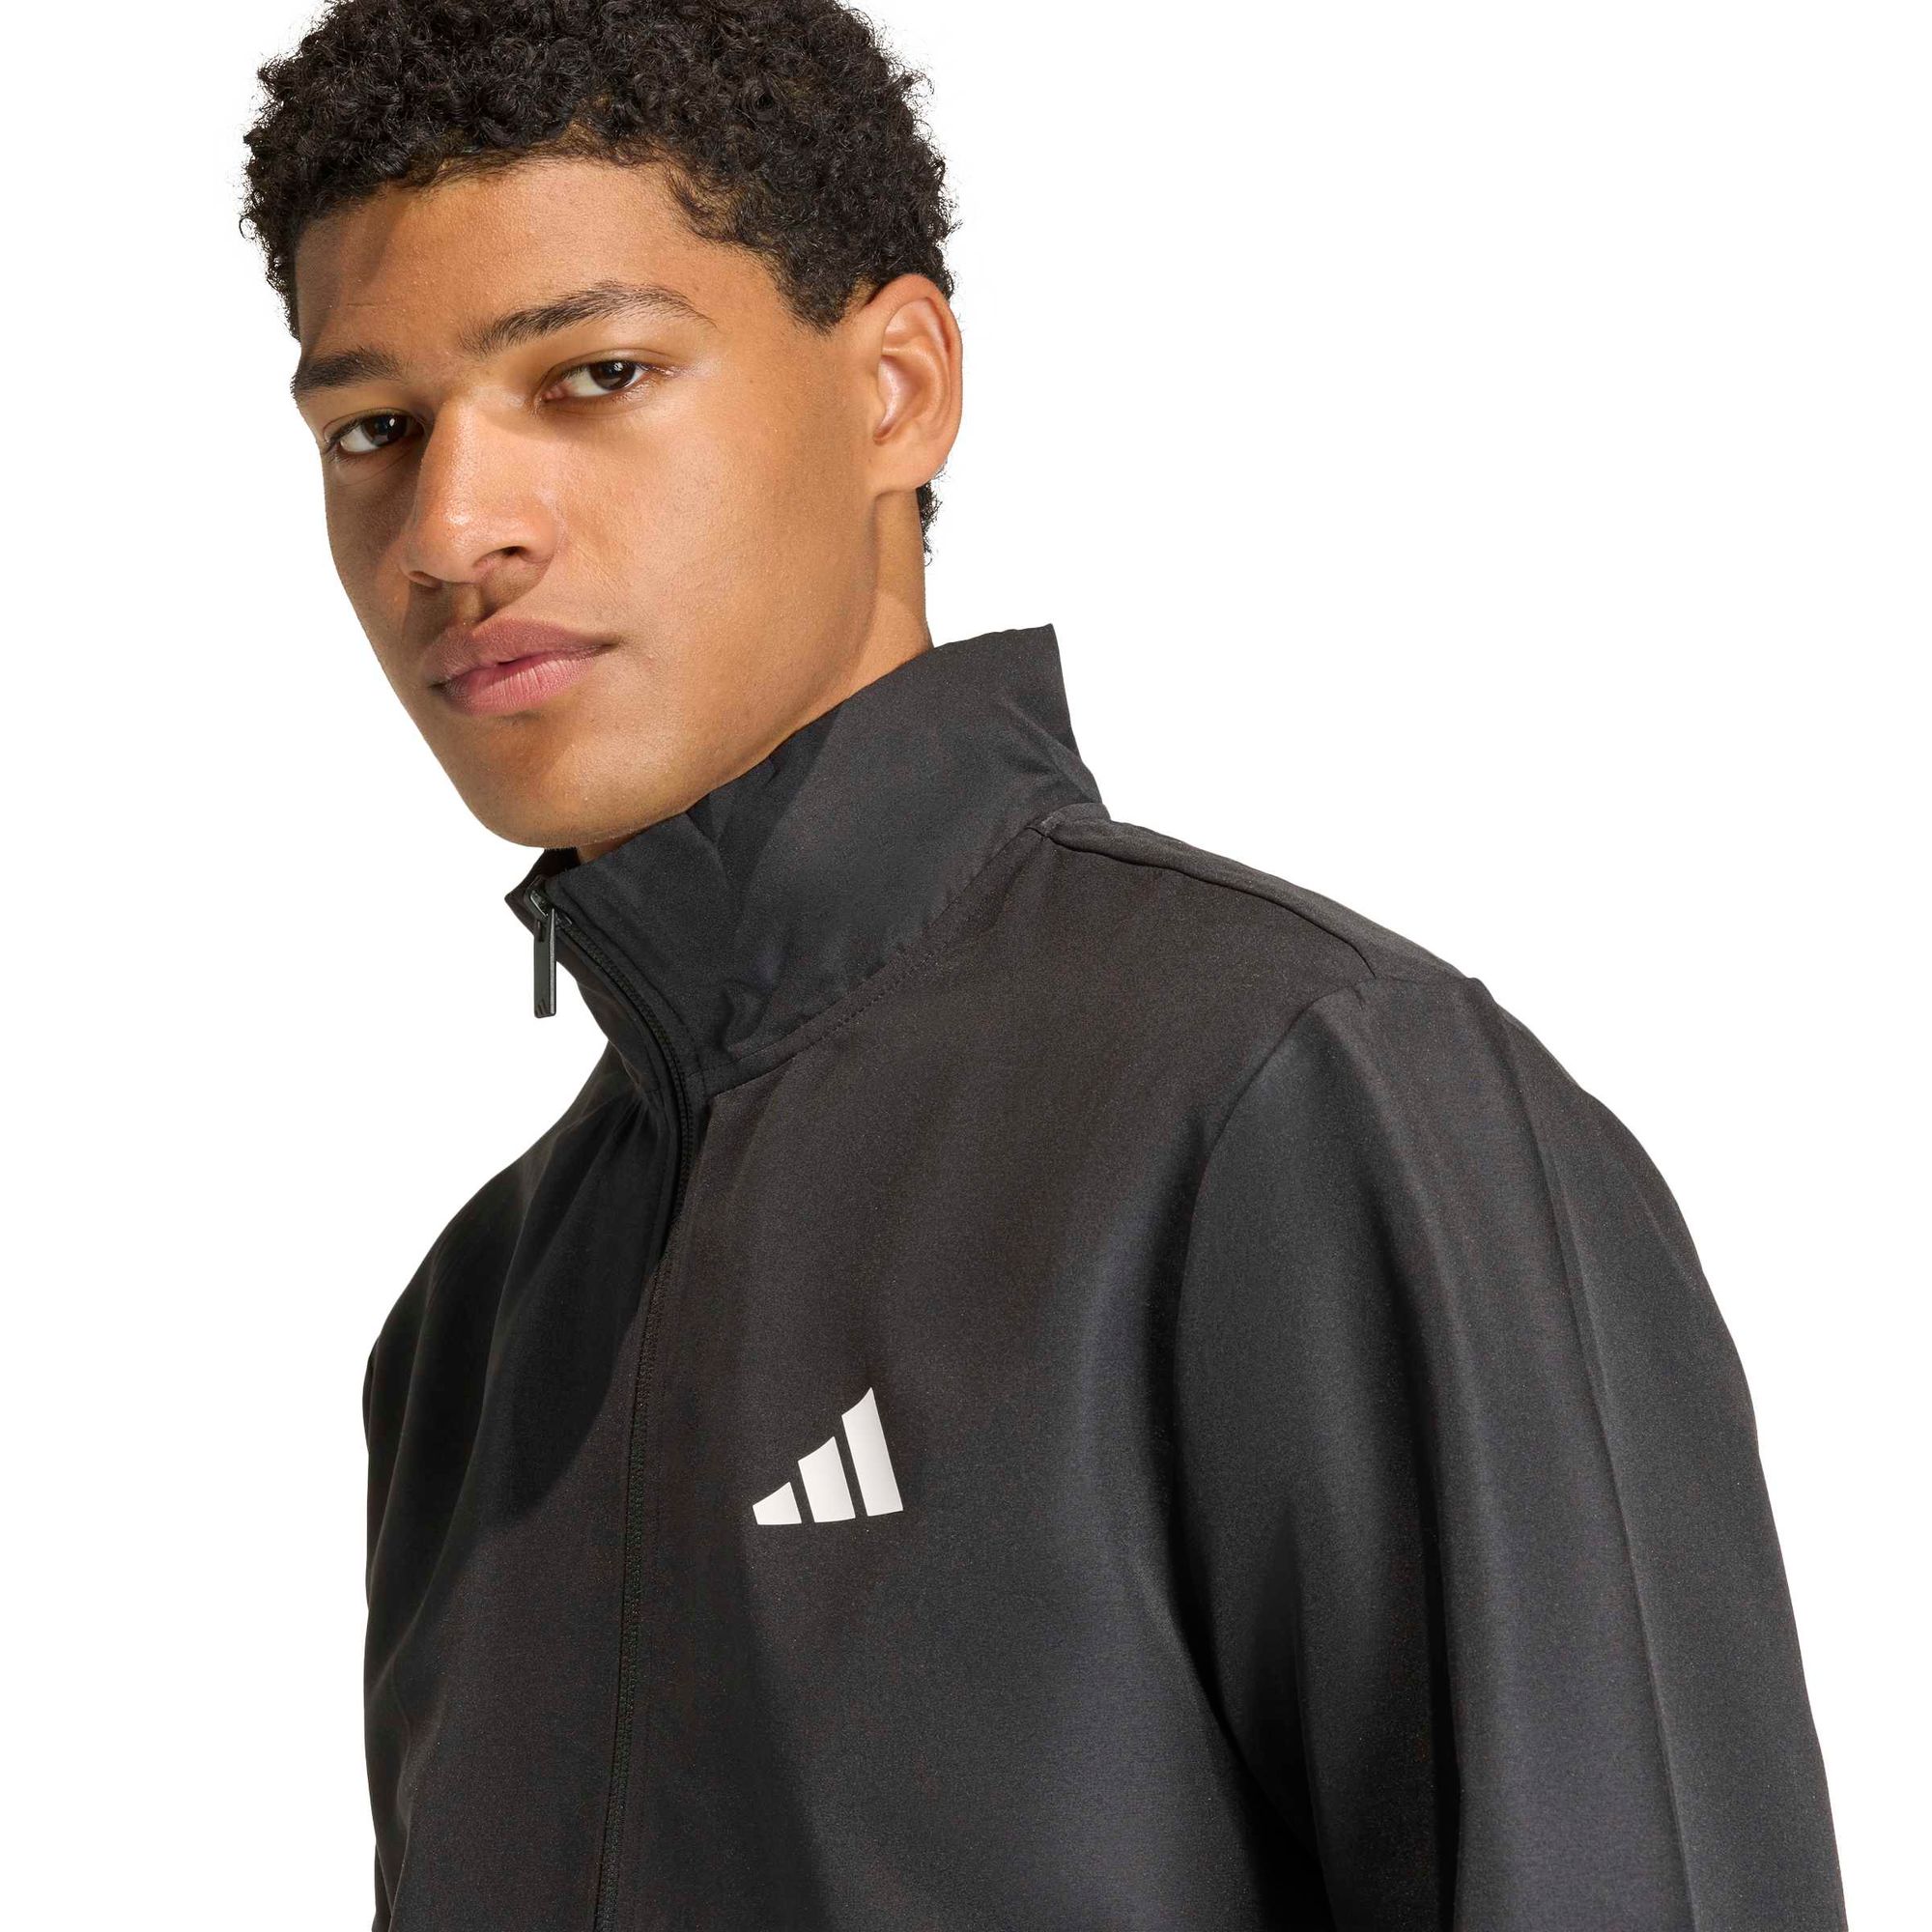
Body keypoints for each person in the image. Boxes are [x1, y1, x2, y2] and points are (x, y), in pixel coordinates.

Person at [241, 4, 1848, 1927]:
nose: (452, 528)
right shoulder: (473, 1337)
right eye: (374, 429)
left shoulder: (1297, 1103)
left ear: (896, 388)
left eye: (595, 375)